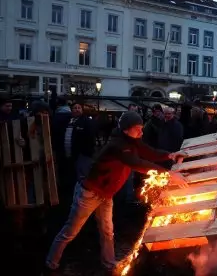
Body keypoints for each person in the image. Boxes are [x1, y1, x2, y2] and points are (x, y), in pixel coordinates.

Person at [44, 111, 188, 273]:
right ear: (126, 130)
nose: (141, 132)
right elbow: (137, 163)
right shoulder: (118, 145)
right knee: (71, 231)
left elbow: (148, 151)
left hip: (106, 194)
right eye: (138, 129)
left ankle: (109, 264)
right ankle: (51, 264)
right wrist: (168, 174)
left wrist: (170, 155)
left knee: (108, 231)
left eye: (142, 128)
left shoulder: (132, 141)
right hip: (90, 193)